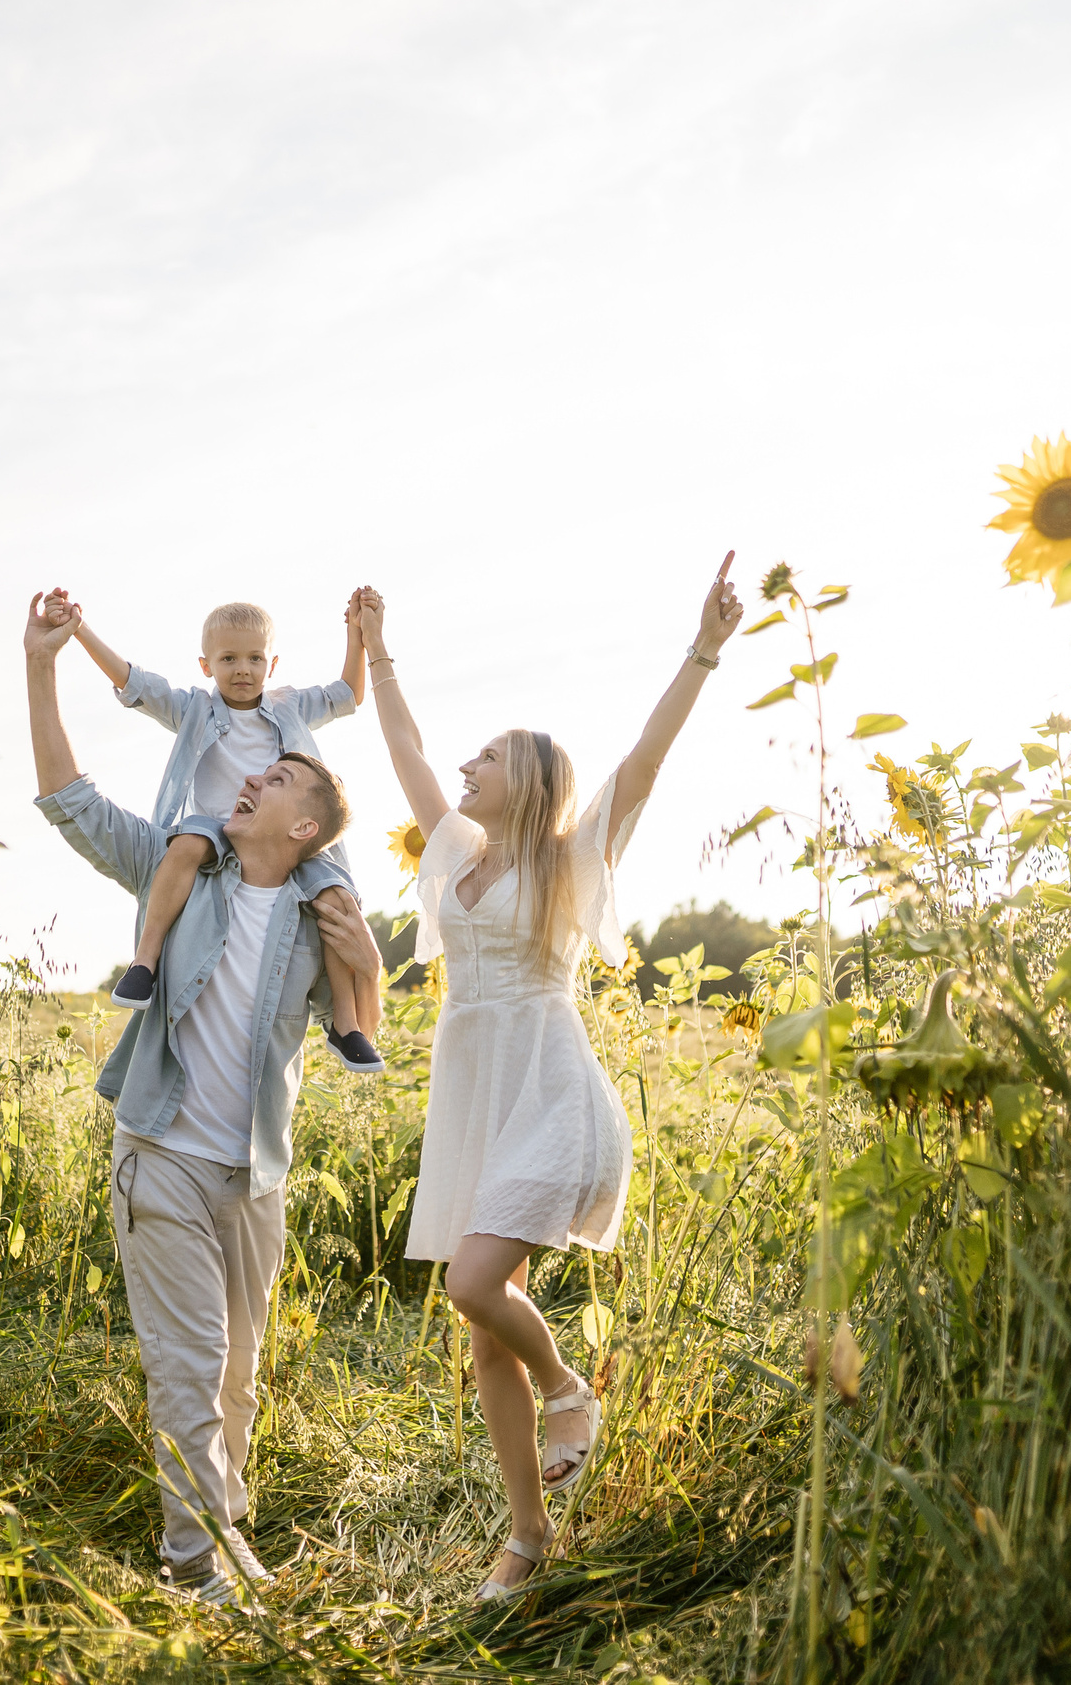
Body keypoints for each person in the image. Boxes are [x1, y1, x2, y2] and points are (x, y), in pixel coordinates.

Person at [354, 557, 744, 1600]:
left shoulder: (570, 859)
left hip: (549, 1088)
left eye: (488, 758)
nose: (467, 767)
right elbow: (405, 749)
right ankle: (526, 1541)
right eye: (470, 757)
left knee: (472, 1285)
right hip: (474, 1092)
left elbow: (644, 765)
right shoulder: (457, 854)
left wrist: (702, 648)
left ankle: (570, 1385)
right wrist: (375, 649)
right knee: (484, 1329)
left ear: (529, 779)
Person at [23, 588, 387, 1607]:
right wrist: (44, 667)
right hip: (162, 1154)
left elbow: (362, 1024)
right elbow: (72, 803)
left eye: (270, 776)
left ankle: (226, 1534)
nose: (245, 775)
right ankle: (197, 1566)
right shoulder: (177, 872)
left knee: (237, 1374)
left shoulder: (323, 916)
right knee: (193, 1366)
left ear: (304, 820)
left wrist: (372, 971)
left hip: (252, 1176)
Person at [59, 591, 384, 1071]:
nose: (242, 670)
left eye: (254, 658)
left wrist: (356, 634)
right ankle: (144, 963)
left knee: (336, 896)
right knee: (186, 844)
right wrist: (81, 629)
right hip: (217, 827)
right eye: (228, 659)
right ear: (205, 665)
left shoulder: (289, 706)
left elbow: (349, 694)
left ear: (272, 664)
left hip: (287, 835)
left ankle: (346, 1022)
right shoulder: (194, 710)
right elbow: (134, 682)